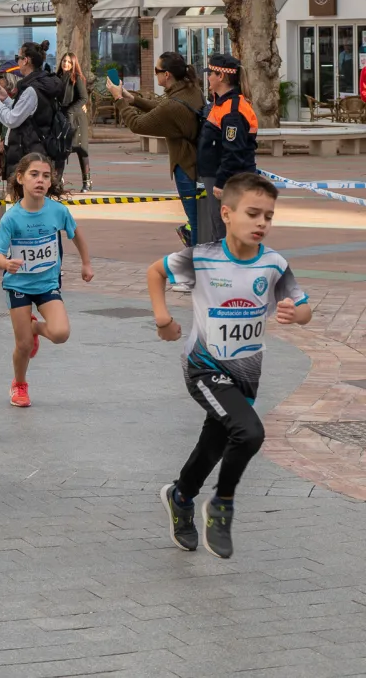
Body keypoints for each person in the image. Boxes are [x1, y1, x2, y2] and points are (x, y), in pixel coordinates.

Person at [149, 173, 311, 559]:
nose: (262, 224)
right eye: (253, 214)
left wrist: (295, 313)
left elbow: (303, 306)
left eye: (268, 217)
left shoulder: (273, 264)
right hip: (204, 368)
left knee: (215, 443)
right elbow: (156, 272)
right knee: (250, 433)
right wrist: (162, 319)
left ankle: (181, 495)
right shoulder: (201, 258)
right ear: (226, 213)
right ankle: (221, 507)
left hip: (246, 376)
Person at [0, 153, 93, 408]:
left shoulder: (57, 211)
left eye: (46, 176)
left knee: (60, 334)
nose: (40, 180)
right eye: (34, 174)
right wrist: (7, 263)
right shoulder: (11, 218)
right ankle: (19, 384)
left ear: (51, 182)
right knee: (23, 345)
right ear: (20, 178)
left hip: (48, 284)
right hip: (18, 286)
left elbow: (75, 233)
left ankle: (35, 327)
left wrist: (86, 263)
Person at [109, 51, 205, 255]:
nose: (155, 75)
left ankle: (198, 271)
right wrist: (131, 99)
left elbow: (137, 124)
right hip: (199, 162)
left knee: (196, 224)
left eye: (157, 71)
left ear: (167, 74)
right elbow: (161, 108)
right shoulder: (190, 90)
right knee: (198, 221)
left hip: (186, 165)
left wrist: (118, 99)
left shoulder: (174, 104)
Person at [196, 54, 258, 244]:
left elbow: (233, 151)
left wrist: (221, 182)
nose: (208, 78)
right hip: (218, 175)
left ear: (221, 76)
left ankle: (229, 269)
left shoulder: (232, 110)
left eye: (211, 74)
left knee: (225, 232)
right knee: (221, 229)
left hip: (225, 179)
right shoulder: (221, 104)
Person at [0, 40, 64, 180]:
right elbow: (27, 112)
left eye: (18, 58)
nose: (17, 61)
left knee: (25, 197)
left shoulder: (31, 89)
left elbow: (12, 120)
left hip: (28, 149)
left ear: (26, 60)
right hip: (36, 147)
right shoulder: (40, 84)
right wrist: (5, 98)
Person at [57, 52, 91, 191]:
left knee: (81, 149)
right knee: (60, 150)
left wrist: (70, 110)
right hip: (61, 118)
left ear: (73, 64)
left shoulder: (77, 78)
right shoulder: (57, 78)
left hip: (76, 119)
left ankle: (87, 182)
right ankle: (57, 180)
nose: (66, 64)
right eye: (64, 61)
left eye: (69, 62)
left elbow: (83, 98)